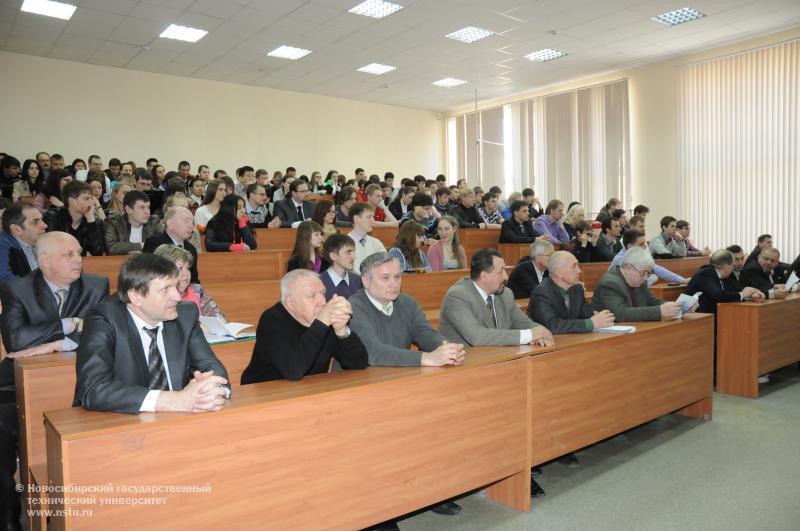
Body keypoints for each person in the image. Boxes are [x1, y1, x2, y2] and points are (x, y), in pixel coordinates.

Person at [0, 232, 108, 530]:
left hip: (77, 380)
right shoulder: (17, 289)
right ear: (44, 260)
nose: (79, 259)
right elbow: (16, 341)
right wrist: (69, 325)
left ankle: (75, 513)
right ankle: (9, 517)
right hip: (15, 387)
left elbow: (101, 334)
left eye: (78, 252)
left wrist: (51, 344)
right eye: (68, 255)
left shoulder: (96, 286)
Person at [348, 252, 466, 516]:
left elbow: (424, 333)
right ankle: (381, 509)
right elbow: (373, 353)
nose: (394, 284)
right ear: (366, 282)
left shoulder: (407, 303)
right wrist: (427, 358)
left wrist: (446, 348)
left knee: (434, 426)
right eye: (385, 278)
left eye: (398, 277)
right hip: (361, 392)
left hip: (400, 384)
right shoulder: (353, 307)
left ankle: (431, 491)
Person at [74, 253, 230, 414]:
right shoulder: (104, 319)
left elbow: (211, 367)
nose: (177, 296)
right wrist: (172, 400)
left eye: (176, 287)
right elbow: (93, 389)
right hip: (115, 423)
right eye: (165, 290)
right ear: (135, 296)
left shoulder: (185, 315)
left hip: (175, 422)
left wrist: (212, 391)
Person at [240, 269, 368, 384]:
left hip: (308, 391)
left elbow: (359, 363)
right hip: (263, 394)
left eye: (323, 293)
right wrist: (321, 321)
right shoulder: (272, 320)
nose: (322, 302)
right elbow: (293, 371)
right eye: (312, 296)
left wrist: (342, 331)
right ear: (291, 302)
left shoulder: (324, 322)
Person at [440, 248, 554, 347]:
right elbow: (477, 337)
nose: (506, 276)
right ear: (484, 276)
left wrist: (541, 333)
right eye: (501, 272)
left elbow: (524, 323)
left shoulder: (505, 293)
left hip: (498, 357)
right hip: (464, 364)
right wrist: (530, 335)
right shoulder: (457, 297)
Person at [529, 251, 615, 333]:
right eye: (574, 266)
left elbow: (587, 314)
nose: (579, 270)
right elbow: (552, 325)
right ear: (559, 273)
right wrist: (590, 323)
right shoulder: (541, 292)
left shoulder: (577, 289)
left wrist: (600, 317)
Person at [592, 247, 684, 321]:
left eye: (647, 273)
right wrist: (659, 311)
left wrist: (677, 307)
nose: (645, 278)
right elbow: (620, 313)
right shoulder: (610, 283)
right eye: (643, 273)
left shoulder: (639, 280)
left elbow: (652, 301)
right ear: (628, 268)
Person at [153, 244, 224, 319]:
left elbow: (218, 316)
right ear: (164, 271)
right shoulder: (155, 296)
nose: (186, 273)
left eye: (187, 268)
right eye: (180, 268)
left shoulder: (197, 290)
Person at [684, 250, 765, 314]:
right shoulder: (705, 273)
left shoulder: (722, 275)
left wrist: (752, 294)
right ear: (727, 266)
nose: (733, 269)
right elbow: (718, 295)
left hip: (714, 314)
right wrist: (742, 294)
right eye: (732, 265)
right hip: (697, 315)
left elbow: (737, 288)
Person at [43, 180, 105, 256]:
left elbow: (97, 253)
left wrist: (91, 222)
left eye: (91, 198)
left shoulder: (95, 222)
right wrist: (84, 252)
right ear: (72, 201)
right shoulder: (53, 217)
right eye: (86, 198)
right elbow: (53, 248)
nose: (92, 203)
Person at [143, 206, 200, 283]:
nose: (191, 226)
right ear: (170, 224)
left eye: (192, 222)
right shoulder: (154, 244)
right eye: (186, 221)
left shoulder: (191, 249)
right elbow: (151, 277)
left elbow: (194, 281)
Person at [611, 229, 686, 285]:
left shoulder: (638, 256)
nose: (645, 247)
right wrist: (652, 278)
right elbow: (639, 281)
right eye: (641, 244)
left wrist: (683, 280)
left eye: (645, 243)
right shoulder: (620, 260)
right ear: (630, 246)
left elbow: (656, 268)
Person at [103, 190, 162, 255]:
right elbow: (112, 248)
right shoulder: (114, 221)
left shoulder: (154, 221)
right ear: (128, 209)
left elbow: (164, 245)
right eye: (142, 207)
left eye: (148, 207)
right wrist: (142, 245)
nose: (147, 212)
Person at [0, 203, 47, 283]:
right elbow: (3, 279)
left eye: (42, 220)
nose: (45, 225)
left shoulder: (42, 242)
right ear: (16, 229)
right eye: (36, 222)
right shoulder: (3, 244)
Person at [320, 233, 363, 300]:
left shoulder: (358, 280)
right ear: (333, 256)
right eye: (348, 252)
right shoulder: (320, 282)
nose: (354, 257)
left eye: (353, 251)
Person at [348, 202, 386, 273]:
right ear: (356, 219)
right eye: (369, 217)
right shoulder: (344, 244)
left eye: (373, 217)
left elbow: (386, 265)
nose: (373, 221)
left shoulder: (376, 243)